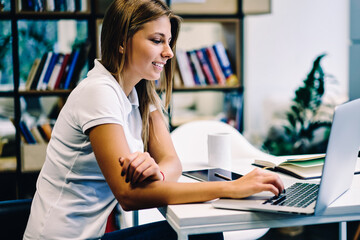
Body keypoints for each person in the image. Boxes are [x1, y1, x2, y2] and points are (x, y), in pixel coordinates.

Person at [23, 0, 284, 239]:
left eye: (169, 42)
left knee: (202, 229)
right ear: (122, 42)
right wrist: (229, 188)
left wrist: (156, 173)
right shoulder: (98, 92)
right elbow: (128, 195)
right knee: (202, 232)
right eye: (157, 40)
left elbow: (172, 162)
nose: (169, 52)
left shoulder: (141, 91)